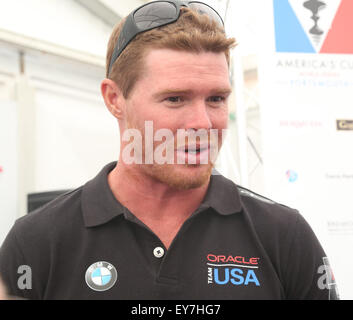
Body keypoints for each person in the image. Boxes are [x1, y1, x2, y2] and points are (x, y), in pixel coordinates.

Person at [0, 0, 338, 300]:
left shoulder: (283, 235)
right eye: (175, 99)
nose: (203, 123)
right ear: (114, 99)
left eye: (216, 99)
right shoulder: (37, 242)